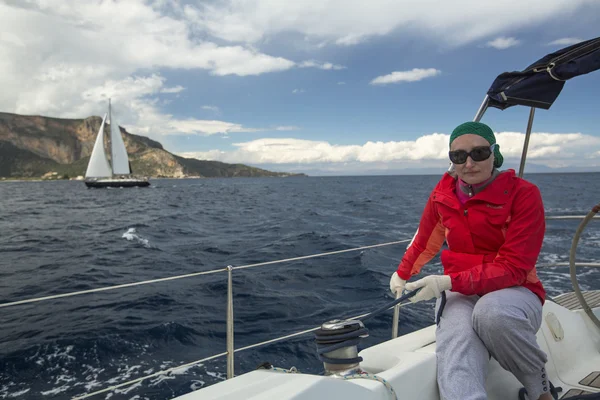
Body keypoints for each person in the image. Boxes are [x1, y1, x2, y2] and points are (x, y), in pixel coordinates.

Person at [389, 121, 553, 400]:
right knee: (456, 342)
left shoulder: (524, 194)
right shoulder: (442, 195)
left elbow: (514, 267)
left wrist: (447, 281)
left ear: (494, 154)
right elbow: (426, 239)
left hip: (515, 290)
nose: (468, 163)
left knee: (492, 314)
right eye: (458, 156)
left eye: (478, 153)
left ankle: (541, 392)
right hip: (461, 291)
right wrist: (403, 274)